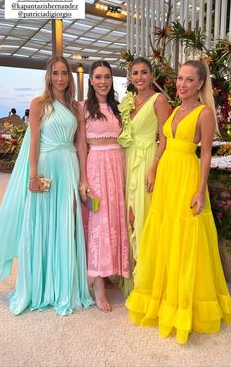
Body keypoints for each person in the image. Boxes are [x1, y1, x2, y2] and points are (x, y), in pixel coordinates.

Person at [126, 59, 231, 344]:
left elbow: (206, 154)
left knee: (185, 236)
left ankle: (185, 303)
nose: (182, 84)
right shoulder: (174, 109)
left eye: (188, 79)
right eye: (180, 78)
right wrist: (153, 168)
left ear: (200, 83)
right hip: (166, 176)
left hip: (186, 176)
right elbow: (164, 142)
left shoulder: (204, 112)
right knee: (164, 234)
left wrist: (200, 191)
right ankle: (162, 297)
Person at [0, 56, 94, 315]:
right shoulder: (38, 104)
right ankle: (39, 286)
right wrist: (32, 174)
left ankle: (64, 286)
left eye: (64, 73)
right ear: (49, 76)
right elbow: (34, 142)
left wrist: (83, 178)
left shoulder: (76, 108)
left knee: (66, 222)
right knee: (40, 222)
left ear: (70, 77)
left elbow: (81, 144)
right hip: (45, 166)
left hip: (69, 166)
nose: (60, 78)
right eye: (55, 73)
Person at [117, 57, 171, 296]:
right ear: (130, 77)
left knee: (141, 215)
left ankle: (147, 280)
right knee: (128, 215)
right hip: (128, 158)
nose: (139, 77)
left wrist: (154, 168)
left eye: (144, 73)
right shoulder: (129, 100)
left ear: (152, 75)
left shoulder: (159, 100)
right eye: (135, 73)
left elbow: (166, 137)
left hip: (148, 157)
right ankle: (133, 273)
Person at [81, 60, 130, 313]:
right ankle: (97, 282)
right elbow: (80, 146)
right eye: (98, 77)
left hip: (118, 167)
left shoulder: (117, 107)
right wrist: (84, 180)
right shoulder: (83, 108)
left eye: (107, 77)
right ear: (91, 80)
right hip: (96, 166)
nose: (103, 81)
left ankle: (110, 271)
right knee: (98, 223)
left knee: (115, 220)